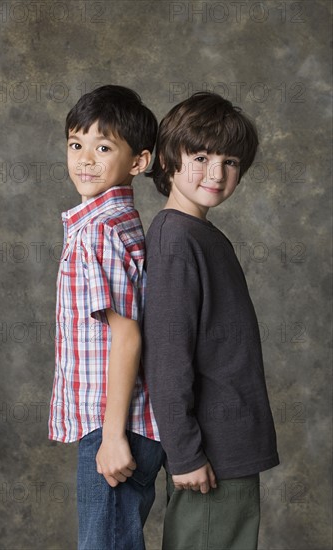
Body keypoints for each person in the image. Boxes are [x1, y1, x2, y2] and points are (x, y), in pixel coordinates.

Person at [143, 92, 279, 550]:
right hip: (209, 454)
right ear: (167, 159)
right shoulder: (175, 238)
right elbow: (166, 357)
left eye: (231, 161)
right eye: (200, 157)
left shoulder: (201, 234)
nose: (217, 173)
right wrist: (184, 454)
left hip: (233, 444)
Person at [48, 85, 164, 550]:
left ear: (138, 162)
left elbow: (128, 335)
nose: (85, 160)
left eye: (103, 147)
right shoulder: (118, 220)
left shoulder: (98, 231)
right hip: (122, 421)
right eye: (77, 144)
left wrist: (112, 436)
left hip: (116, 424)